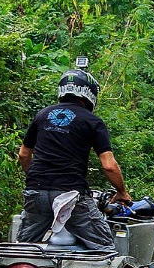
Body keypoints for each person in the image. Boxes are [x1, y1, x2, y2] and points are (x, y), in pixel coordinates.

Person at [17, 66, 131, 250]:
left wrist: (37, 178)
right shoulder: (92, 121)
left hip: (36, 191)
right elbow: (109, 166)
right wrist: (122, 192)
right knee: (105, 249)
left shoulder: (42, 115)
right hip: (70, 195)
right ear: (90, 93)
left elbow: (23, 155)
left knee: (23, 249)